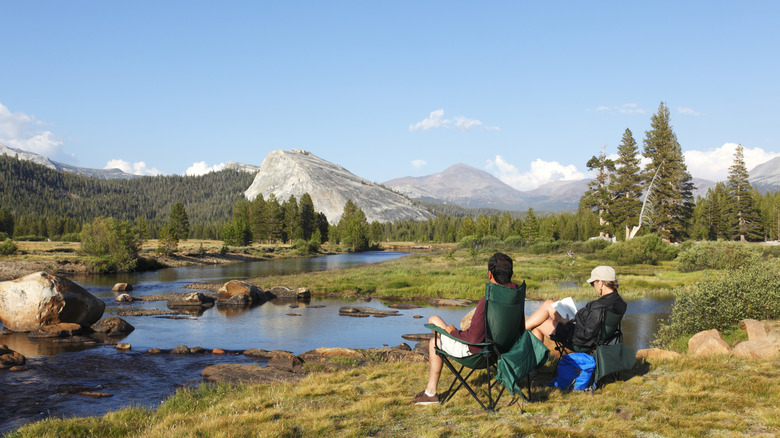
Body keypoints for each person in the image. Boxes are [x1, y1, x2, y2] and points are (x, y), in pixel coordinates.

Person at [411, 252, 522, 405]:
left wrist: (453, 332)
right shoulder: (516, 294)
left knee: (433, 340)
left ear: (490, 274)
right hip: (504, 350)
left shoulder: (489, 300)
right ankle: (429, 391)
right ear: (511, 273)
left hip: (480, 353)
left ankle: (430, 393)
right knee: (435, 320)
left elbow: (474, 339)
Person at [524, 265, 627, 350]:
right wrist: (582, 313)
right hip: (595, 337)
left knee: (538, 324)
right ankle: (533, 368)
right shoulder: (618, 301)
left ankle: (518, 333)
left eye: (593, 283)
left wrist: (566, 323)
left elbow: (585, 336)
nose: (593, 286)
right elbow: (596, 322)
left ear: (600, 283)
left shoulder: (597, 307)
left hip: (578, 341)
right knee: (549, 303)